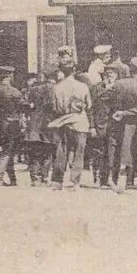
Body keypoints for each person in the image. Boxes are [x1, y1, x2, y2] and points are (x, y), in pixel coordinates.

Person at [47, 48, 91, 191]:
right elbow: (89, 105)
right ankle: (75, 182)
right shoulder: (83, 86)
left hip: (61, 121)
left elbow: (53, 107)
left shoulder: (56, 88)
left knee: (61, 151)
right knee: (79, 152)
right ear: (74, 69)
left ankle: (57, 181)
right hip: (79, 122)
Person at [109, 57, 137, 192]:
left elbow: (107, 100)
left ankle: (116, 179)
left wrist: (118, 112)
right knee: (134, 150)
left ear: (130, 68)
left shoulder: (118, 84)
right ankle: (130, 180)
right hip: (135, 124)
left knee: (118, 149)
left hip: (117, 122)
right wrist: (126, 113)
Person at [0, 66, 25, 186]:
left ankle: (13, 179)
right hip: (11, 125)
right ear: (10, 76)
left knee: (6, 152)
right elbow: (22, 108)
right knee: (7, 152)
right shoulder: (15, 92)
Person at [88, 67, 119, 188]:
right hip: (99, 125)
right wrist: (91, 126)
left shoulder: (118, 88)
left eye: (112, 75)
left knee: (112, 153)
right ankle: (97, 178)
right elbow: (90, 108)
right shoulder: (95, 89)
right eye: (107, 74)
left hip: (113, 126)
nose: (109, 77)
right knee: (97, 152)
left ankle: (110, 179)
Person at [22, 73, 55, 186]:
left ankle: (35, 178)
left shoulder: (33, 90)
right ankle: (44, 177)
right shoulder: (53, 90)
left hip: (34, 124)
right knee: (47, 152)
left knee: (34, 153)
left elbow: (26, 107)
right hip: (48, 124)